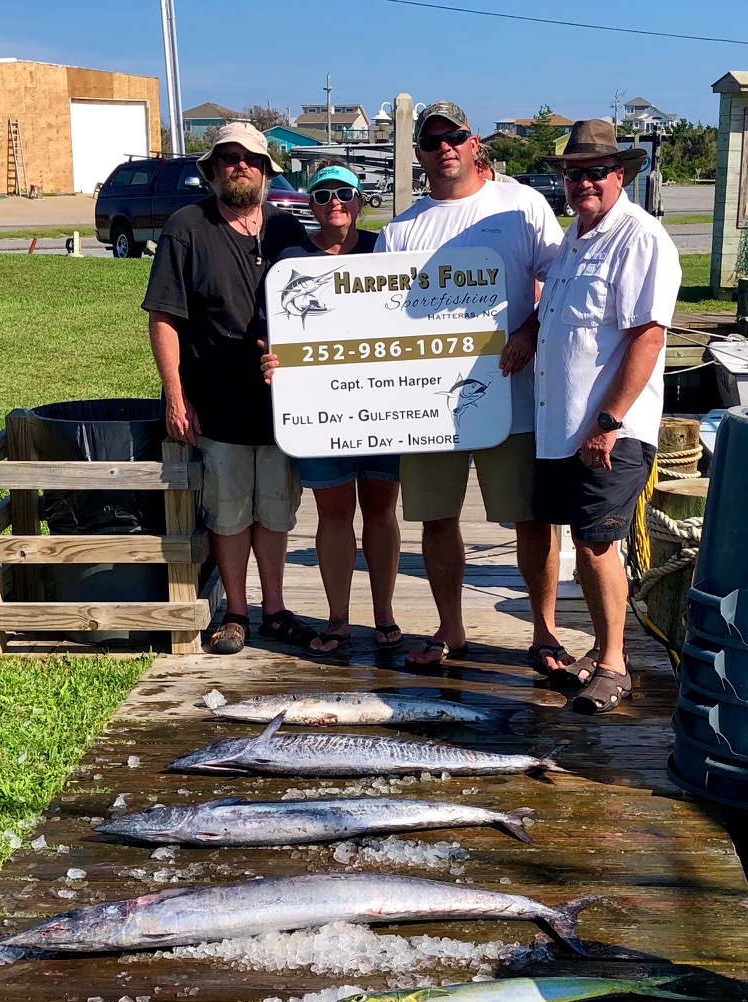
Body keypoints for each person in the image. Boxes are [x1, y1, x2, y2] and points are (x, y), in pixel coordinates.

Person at [376, 101, 564, 672]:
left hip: (512, 394)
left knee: (532, 517)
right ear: (418, 153)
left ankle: (546, 631)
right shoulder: (400, 229)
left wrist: (529, 328)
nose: (444, 148)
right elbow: (377, 319)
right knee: (437, 518)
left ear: (474, 140)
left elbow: (560, 280)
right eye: (432, 141)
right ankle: (450, 628)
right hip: (429, 407)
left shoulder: (521, 204)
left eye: (454, 136)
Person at [525, 119, 682, 714]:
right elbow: (555, 316)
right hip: (560, 424)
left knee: (596, 544)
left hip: (607, 430)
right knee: (581, 539)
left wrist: (610, 420)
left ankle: (615, 665)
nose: (583, 183)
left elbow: (647, 336)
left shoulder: (639, 237)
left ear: (621, 176)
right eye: (573, 174)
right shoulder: (573, 238)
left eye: (595, 173)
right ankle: (601, 646)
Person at [142, 121, 316, 656]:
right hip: (216, 404)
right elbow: (164, 317)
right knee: (229, 512)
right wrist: (175, 393)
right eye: (228, 158)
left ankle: (276, 609)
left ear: (266, 171)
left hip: (282, 409)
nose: (240, 165)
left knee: (276, 511)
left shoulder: (287, 231)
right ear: (212, 169)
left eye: (250, 159)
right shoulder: (187, 226)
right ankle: (236, 611)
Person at [262, 162, 403, 656]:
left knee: (382, 513)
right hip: (322, 411)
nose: (334, 203)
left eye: (344, 193)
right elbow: (273, 332)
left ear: (361, 201)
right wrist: (271, 357)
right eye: (322, 196)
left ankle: (384, 613)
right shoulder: (290, 261)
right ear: (311, 206)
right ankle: (339, 617)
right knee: (334, 513)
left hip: (385, 407)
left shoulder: (386, 250)